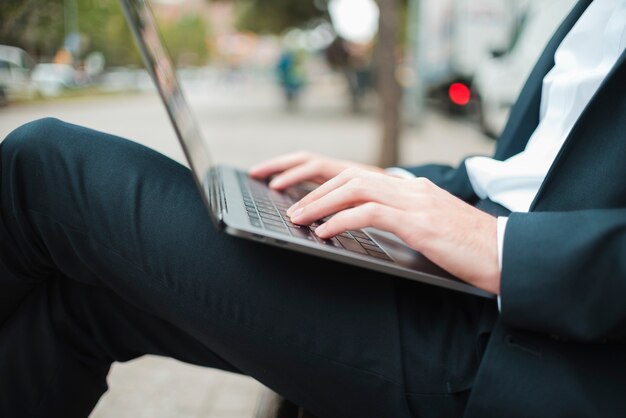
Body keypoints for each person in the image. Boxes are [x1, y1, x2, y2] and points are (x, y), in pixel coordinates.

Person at [0, 0, 624, 416]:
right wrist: (389, 183)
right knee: (80, 301)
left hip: (529, 348)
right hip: (462, 283)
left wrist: (502, 249)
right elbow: (531, 172)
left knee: (47, 167)